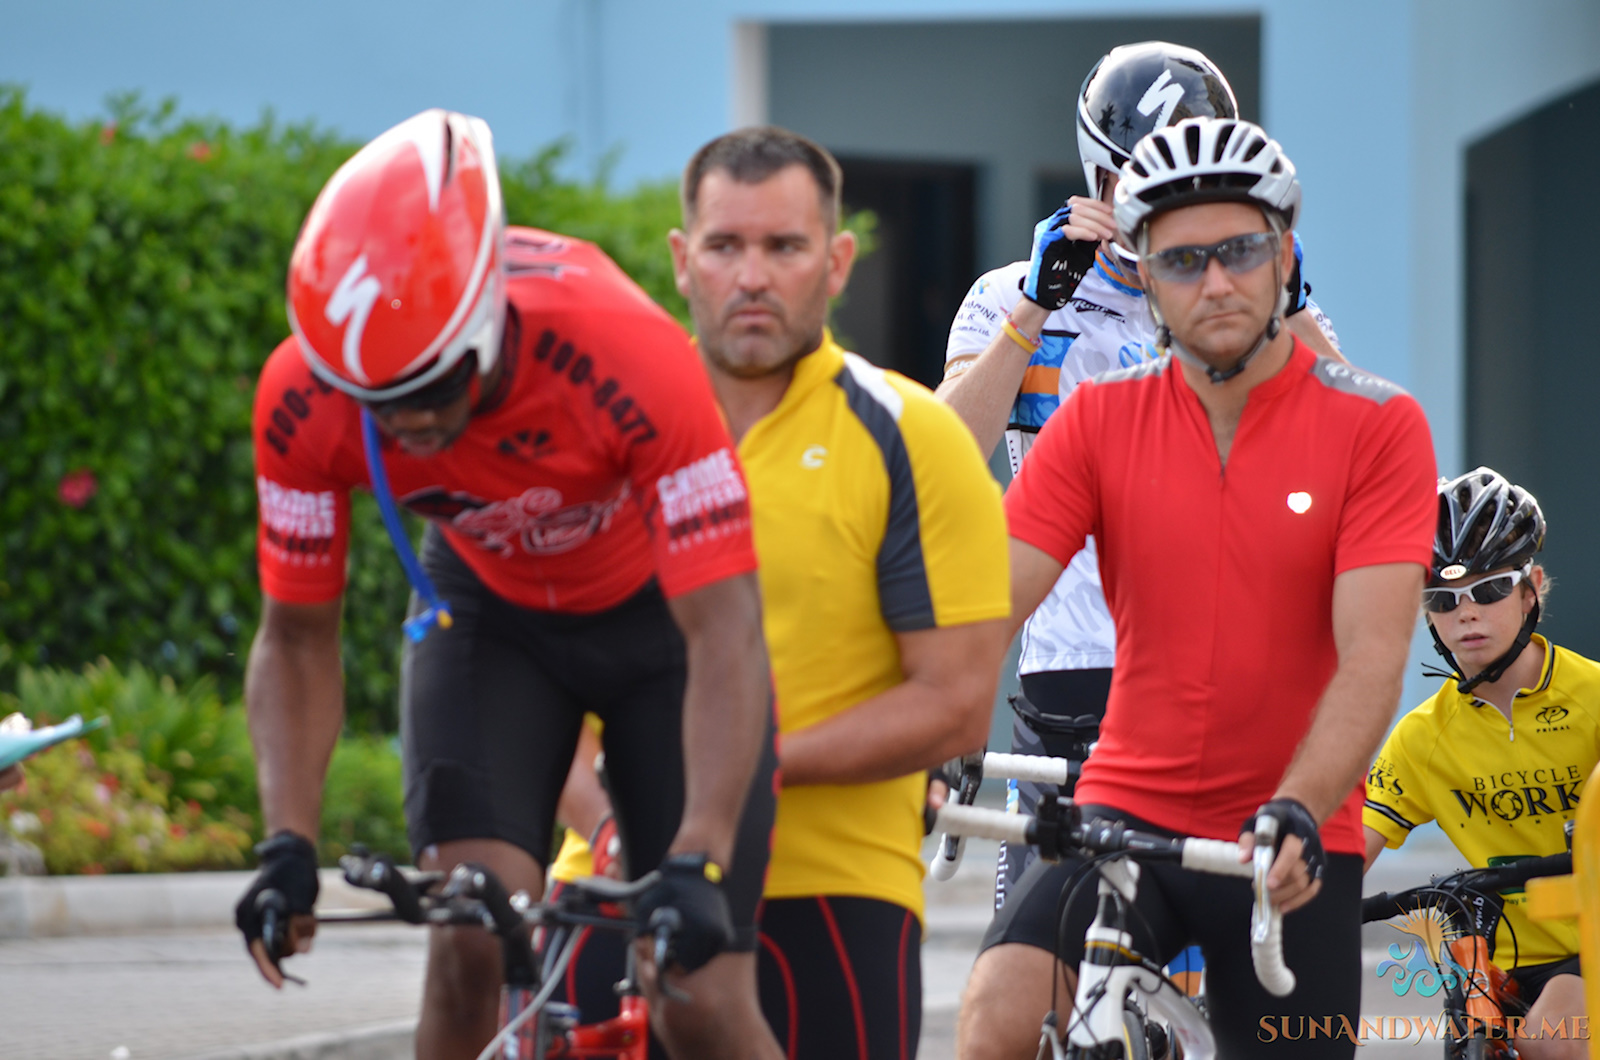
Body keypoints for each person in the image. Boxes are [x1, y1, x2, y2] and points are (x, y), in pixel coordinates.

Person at [236, 109, 783, 1060]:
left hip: (660, 624)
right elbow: (294, 635)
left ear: (487, 324)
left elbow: (726, 628)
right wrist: (287, 841)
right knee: (468, 943)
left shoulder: (628, 352)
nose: (409, 424)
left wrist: (697, 855)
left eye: (434, 386)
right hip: (489, 620)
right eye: (380, 403)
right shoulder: (302, 397)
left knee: (695, 991)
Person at [956, 116, 1438, 1060]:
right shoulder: (1098, 418)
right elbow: (989, 602)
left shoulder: (1377, 425)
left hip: (1294, 830)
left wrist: (1302, 802)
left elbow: (1374, 656)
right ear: (1143, 274)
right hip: (1126, 803)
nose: (1215, 281)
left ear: (1285, 257)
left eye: (1240, 251)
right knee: (998, 1017)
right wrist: (941, 730)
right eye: (1182, 260)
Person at [549, 126, 1015, 1058]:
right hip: (612, 873)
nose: (752, 276)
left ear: (836, 262)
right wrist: (607, 821)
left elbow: (957, 703)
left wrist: (745, 769)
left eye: (785, 246)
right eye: (726, 245)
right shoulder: (597, 434)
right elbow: (532, 669)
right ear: (683, 259)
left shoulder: (914, 437)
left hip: (829, 890)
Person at [937, 40, 1345, 916]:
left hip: (1228, 669)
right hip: (1074, 677)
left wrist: (1294, 307)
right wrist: (1033, 310)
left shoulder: (1242, 299)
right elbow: (939, 459)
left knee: (1221, 957)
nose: (1171, 199)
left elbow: (1350, 447)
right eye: (1145, 177)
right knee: (1027, 973)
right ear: (1100, 177)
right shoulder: (1012, 293)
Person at [1365, 468, 1594, 1060]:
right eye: (1443, 599)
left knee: (1552, 1041)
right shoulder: (1420, 737)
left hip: (1590, 951)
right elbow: (1345, 852)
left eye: (1489, 590)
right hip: (1497, 962)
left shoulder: (1594, 698)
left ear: (1531, 589)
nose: (1467, 614)